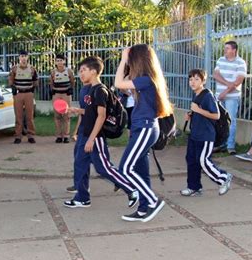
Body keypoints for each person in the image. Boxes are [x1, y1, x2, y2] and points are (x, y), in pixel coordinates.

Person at [63, 56, 138, 209]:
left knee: (103, 168)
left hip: (95, 137)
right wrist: (78, 111)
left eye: (83, 70)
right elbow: (92, 112)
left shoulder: (100, 90)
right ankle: (82, 198)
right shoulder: (90, 90)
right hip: (85, 134)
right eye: (80, 70)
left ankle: (132, 189)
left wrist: (91, 139)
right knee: (80, 164)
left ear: (94, 71)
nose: (80, 73)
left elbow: (101, 116)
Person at [114, 44, 171, 222]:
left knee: (125, 168)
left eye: (132, 61)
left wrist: (123, 59)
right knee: (140, 169)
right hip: (141, 128)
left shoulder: (146, 79)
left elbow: (117, 83)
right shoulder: (144, 80)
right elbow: (122, 86)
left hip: (146, 128)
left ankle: (153, 200)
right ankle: (143, 208)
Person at [181, 69, 233, 197]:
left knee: (203, 160)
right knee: (192, 160)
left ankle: (223, 178)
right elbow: (199, 112)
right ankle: (194, 187)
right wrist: (191, 115)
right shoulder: (196, 94)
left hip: (206, 136)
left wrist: (198, 110)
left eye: (196, 79)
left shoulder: (207, 95)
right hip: (195, 134)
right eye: (191, 79)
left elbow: (216, 115)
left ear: (203, 81)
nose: (193, 82)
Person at [213, 41, 247, 154]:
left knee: (231, 121)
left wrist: (225, 92)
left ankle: (230, 146)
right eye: (225, 48)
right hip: (220, 95)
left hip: (232, 97)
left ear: (234, 50)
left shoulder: (240, 63)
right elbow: (215, 75)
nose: (225, 50)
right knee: (219, 121)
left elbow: (238, 81)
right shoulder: (220, 60)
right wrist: (228, 84)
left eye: (227, 48)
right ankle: (220, 144)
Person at [8, 50, 38, 144]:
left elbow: (36, 80)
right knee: (18, 116)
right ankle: (18, 136)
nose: (23, 58)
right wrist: (12, 87)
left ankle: (31, 135)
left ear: (27, 57)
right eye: (21, 56)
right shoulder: (14, 69)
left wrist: (33, 88)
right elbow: (10, 80)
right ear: (19, 57)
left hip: (28, 93)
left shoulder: (32, 69)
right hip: (18, 94)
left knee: (30, 115)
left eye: (25, 56)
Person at [50, 53, 75, 143]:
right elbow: (51, 83)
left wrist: (70, 89)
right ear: (55, 62)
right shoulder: (53, 72)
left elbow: (72, 81)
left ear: (64, 61)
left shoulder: (69, 71)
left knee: (66, 115)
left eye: (61, 60)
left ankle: (66, 135)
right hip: (56, 94)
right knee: (57, 115)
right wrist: (52, 90)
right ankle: (59, 136)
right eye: (58, 61)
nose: (59, 62)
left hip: (66, 94)